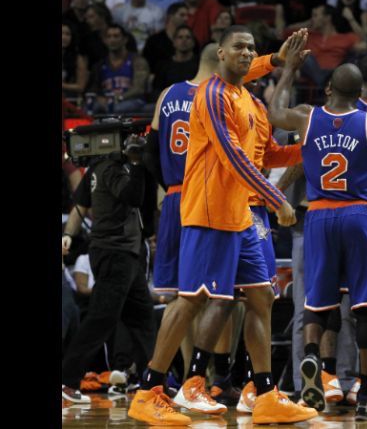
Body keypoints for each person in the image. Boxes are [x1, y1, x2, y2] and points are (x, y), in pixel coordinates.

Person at [126, 25, 317, 425]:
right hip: (209, 212)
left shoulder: (251, 102)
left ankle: (264, 394)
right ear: (221, 54)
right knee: (192, 299)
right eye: (239, 48)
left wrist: (310, 146)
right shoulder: (210, 94)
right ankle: (149, 389)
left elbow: (270, 153)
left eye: (251, 48)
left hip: (240, 216)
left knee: (262, 296)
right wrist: (276, 197)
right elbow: (230, 153)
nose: (247, 53)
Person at [266, 32, 367, 421]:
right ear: (360, 94)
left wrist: (289, 71)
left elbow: (273, 111)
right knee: (366, 309)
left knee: (317, 302)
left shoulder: (306, 117)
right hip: (361, 215)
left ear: (329, 88)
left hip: (317, 215)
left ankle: (314, 360)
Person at [61, 133, 156, 407]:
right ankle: (67, 381)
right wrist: (138, 165)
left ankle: (154, 382)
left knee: (143, 318)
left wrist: (68, 234)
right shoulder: (114, 167)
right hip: (114, 252)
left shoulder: (96, 167)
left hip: (126, 253)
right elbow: (133, 197)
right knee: (102, 318)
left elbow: (80, 204)